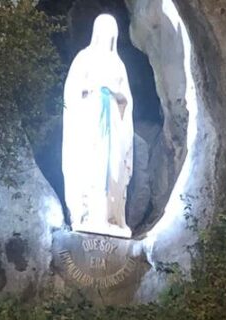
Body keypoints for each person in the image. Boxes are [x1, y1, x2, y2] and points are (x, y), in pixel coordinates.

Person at [62, 14, 134, 238]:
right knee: (90, 168)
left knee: (112, 170)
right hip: (90, 124)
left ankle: (110, 217)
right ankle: (89, 215)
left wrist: (114, 91)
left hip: (113, 126)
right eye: (104, 32)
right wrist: (92, 89)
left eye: (112, 34)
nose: (108, 37)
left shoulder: (117, 64)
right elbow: (72, 93)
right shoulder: (84, 58)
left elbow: (126, 100)